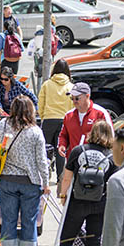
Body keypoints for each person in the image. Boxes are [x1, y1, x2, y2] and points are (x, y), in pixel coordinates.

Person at [48, 120, 116, 246]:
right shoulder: (111, 156)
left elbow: (67, 178)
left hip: (77, 202)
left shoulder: (79, 151)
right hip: (99, 204)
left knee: (67, 239)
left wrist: (63, 195)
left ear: (92, 132)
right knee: (93, 242)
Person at [0, 96, 50, 246]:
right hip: (30, 181)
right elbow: (41, 160)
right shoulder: (35, 131)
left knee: (8, 219)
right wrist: (45, 183)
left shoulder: (3, 125)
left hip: (6, 179)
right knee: (29, 220)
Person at [38, 58, 73, 189]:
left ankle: (44, 177)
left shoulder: (47, 84)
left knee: (45, 150)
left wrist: (43, 117)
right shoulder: (70, 86)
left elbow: (40, 103)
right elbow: (72, 107)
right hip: (63, 121)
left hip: (48, 119)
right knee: (60, 150)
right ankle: (59, 178)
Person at [57, 82, 113, 160]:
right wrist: (62, 145)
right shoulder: (68, 115)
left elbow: (110, 137)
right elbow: (63, 135)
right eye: (72, 98)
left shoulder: (101, 113)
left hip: (95, 161)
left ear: (87, 96)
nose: (74, 101)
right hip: (73, 161)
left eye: (77, 98)